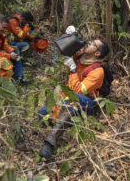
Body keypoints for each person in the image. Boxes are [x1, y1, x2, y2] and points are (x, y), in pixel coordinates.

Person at [38, 26, 110, 159]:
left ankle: (50, 142)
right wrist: (70, 36)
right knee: (41, 114)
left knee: (72, 100)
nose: (89, 43)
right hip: (68, 94)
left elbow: (78, 90)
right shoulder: (82, 54)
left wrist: (72, 69)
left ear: (97, 53)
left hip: (87, 101)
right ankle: (58, 119)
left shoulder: (98, 72)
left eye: (93, 44)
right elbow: (65, 51)